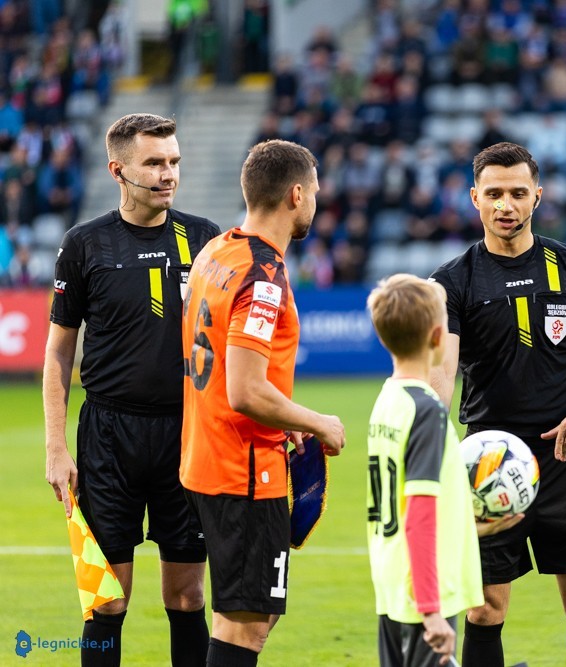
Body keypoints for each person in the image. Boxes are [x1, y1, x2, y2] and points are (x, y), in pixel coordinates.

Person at [429, 142, 566, 667]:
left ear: (537, 197)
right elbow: (441, 375)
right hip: (487, 463)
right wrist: (433, 442)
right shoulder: (451, 281)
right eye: (494, 194)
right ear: (474, 197)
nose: (506, 205)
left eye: (518, 193)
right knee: (484, 609)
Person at [43, 113, 220, 667]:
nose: (169, 174)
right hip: (108, 438)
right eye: (155, 163)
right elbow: (58, 351)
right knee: (107, 601)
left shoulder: (206, 239)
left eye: (174, 162)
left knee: (187, 596)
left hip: (186, 436)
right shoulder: (84, 244)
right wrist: (55, 447)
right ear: (118, 170)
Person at [179, 139, 346, 667]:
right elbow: (246, 390)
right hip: (244, 472)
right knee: (246, 628)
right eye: (314, 191)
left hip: (204, 458)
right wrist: (318, 422)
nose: (315, 201)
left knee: (240, 619)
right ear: (296, 195)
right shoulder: (264, 276)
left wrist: (285, 418)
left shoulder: (215, 251)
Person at [367, 273, 507, 667]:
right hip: (423, 595)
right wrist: (431, 611)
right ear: (436, 337)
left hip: (395, 582)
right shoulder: (426, 411)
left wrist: (477, 527)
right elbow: (419, 514)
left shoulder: (389, 399)